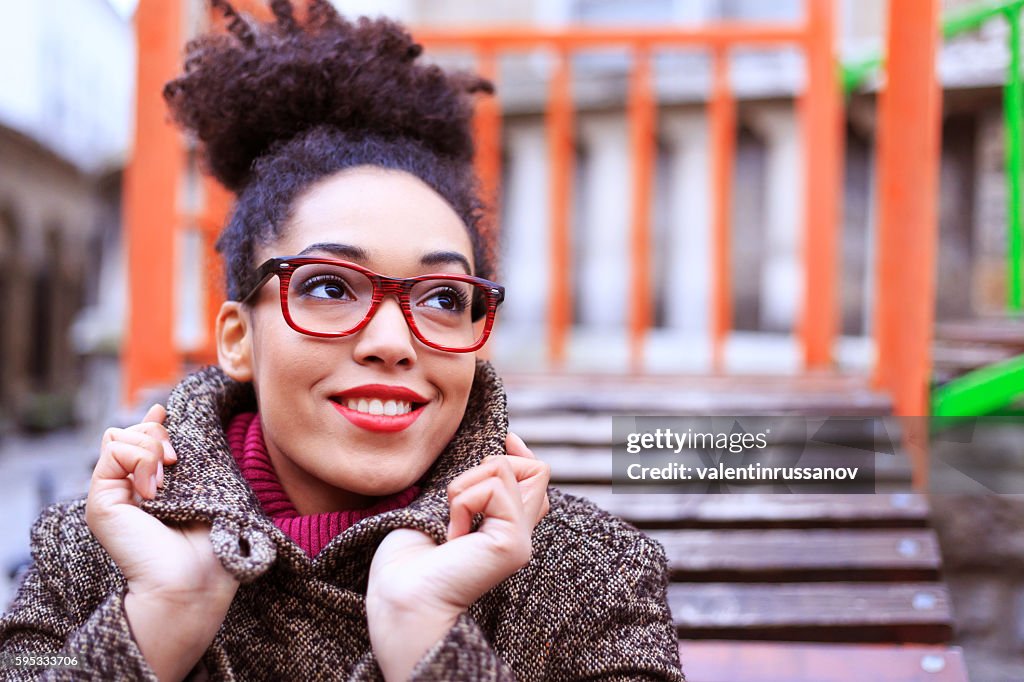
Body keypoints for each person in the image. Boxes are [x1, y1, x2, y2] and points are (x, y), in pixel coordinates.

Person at [0, 1, 686, 680]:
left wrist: (426, 631)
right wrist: (159, 617)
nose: (392, 342)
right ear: (239, 339)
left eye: (444, 298)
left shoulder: (588, 571)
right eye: (330, 287)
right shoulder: (100, 550)